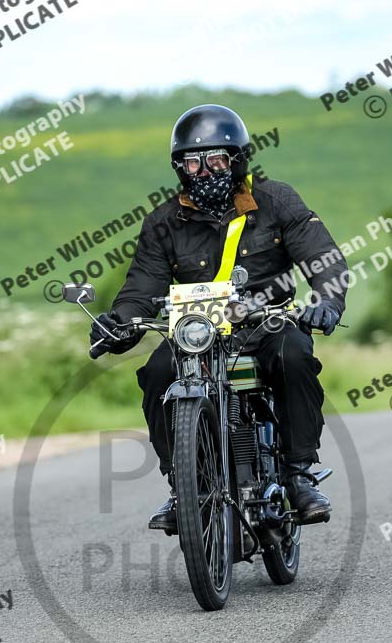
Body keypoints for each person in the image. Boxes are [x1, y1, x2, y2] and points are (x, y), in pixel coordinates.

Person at [90, 104, 348, 534]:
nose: (205, 171)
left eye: (216, 160)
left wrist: (328, 301)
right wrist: (118, 323)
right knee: (157, 371)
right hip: (198, 335)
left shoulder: (277, 201)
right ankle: (183, 488)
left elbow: (324, 260)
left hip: (265, 326)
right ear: (180, 168)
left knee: (296, 354)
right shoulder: (162, 223)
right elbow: (141, 288)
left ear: (237, 160)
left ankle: (299, 475)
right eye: (193, 162)